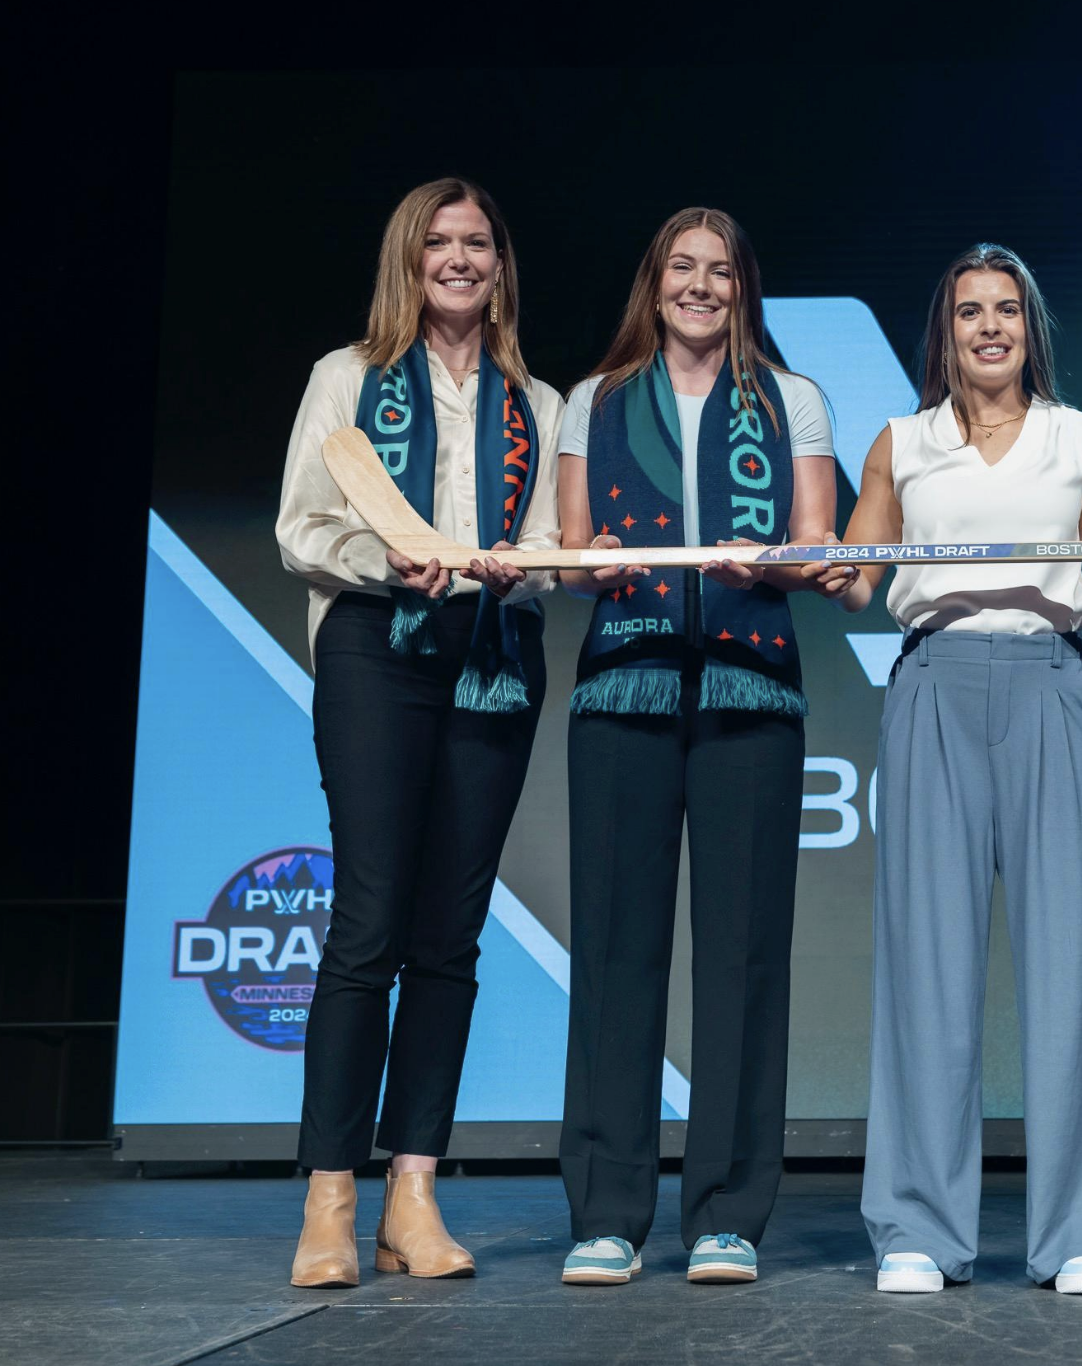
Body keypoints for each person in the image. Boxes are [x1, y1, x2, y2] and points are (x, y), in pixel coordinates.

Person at [834, 244, 1082, 1297]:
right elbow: (854, 576)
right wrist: (822, 562)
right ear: (945, 331)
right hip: (931, 681)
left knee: (1070, 961)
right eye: (969, 311)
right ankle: (918, 1230)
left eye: (1005, 311)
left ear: (1029, 329)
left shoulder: (1081, 439)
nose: (987, 328)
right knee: (927, 963)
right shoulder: (900, 443)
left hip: (1049, 682)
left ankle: (1080, 1234)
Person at [276, 177, 564, 1287]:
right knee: (368, 922)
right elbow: (302, 526)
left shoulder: (533, 400)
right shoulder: (344, 380)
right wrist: (385, 559)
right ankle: (329, 1197)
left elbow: (549, 537)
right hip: (374, 646)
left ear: (499, 262)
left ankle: (413, 1190)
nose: (458, 258)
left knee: (450, 933)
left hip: (492, 652)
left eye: (477, 241)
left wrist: (516, 566)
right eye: (437, 242)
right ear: (409, 258)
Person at [553, 207, 842, 1288]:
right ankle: (607, 1211)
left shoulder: (793, 398)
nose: (700, 285)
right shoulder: (596, 398)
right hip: (622, 686)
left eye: (719, 271)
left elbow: (816, 545)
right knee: (615, 951)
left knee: (743, 955)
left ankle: (725, 1211)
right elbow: (573, 551)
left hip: (749, 688)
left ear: (742, 289)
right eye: (682, 266)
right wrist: (591, 563)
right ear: (654, 281)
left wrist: (778, 559)